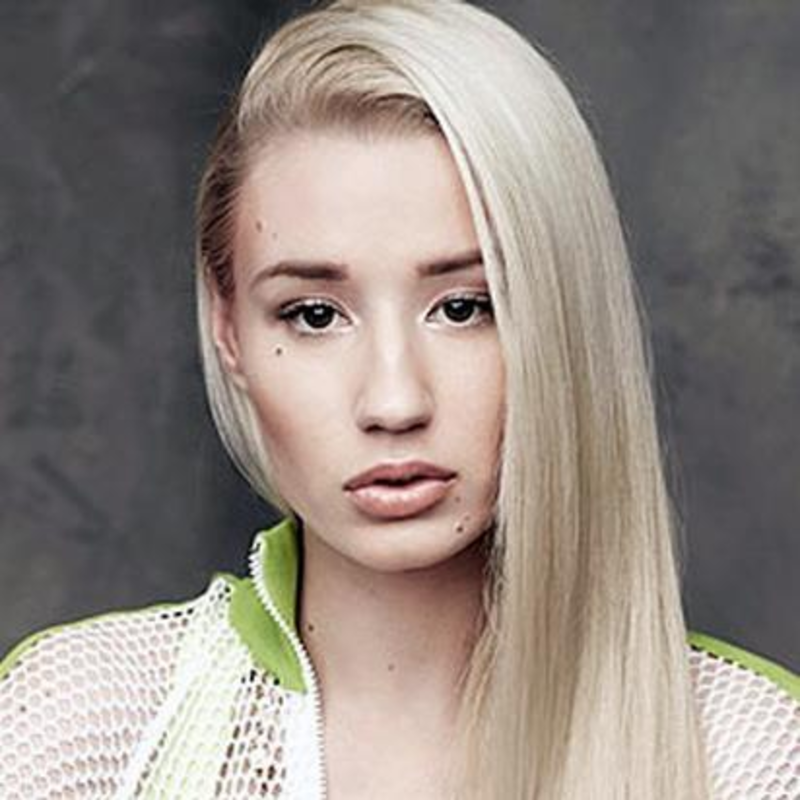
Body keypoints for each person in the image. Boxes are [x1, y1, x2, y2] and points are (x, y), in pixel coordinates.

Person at [1, 0, 798, 798]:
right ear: (227, 329)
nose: (393, 401)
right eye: (315, 316)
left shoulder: (753, 758)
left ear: (566, 316)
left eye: (464, 307)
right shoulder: (78, 735)